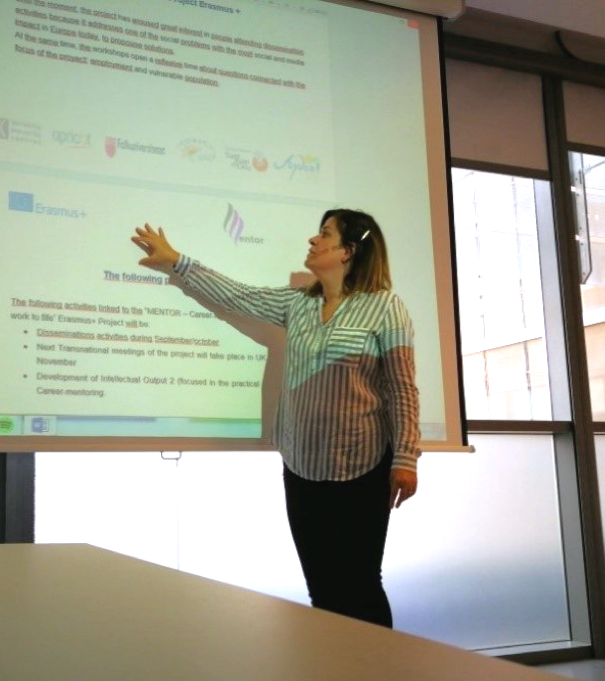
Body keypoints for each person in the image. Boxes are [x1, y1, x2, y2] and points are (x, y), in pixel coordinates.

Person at [131, 209, 419, 628]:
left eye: (324, 234)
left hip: (362, 468)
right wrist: (177, 261)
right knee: (322, 587)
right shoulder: (297, 304)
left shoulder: (385, 307)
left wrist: (406, 458)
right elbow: (238, 295)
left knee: (360, 585)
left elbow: (401, 388)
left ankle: (378, 663)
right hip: (301, 468)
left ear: (348, 250)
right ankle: (331, 661)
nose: (313, 240)